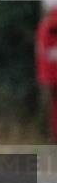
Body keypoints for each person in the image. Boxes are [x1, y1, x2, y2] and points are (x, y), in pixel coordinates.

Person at [37, 8, 57, 142]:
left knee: (51, 110)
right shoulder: (48, 27)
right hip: (50, 76)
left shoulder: (44, 27)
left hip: (47, 77)